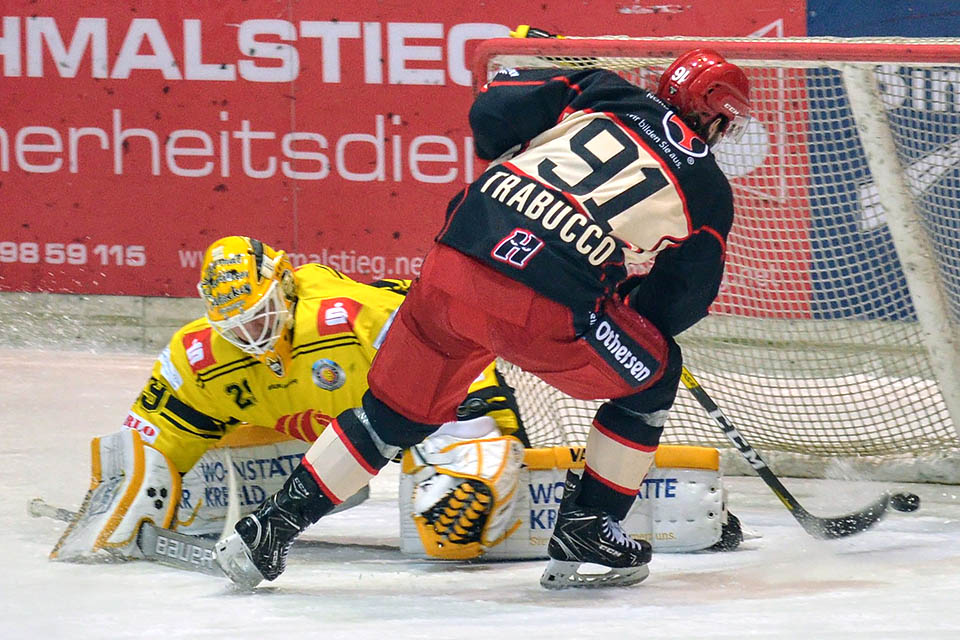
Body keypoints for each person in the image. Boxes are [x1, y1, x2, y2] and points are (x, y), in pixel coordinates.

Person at [216, 48, 751, 590]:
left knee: (390, 416)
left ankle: (270, 528)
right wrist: (619, 295)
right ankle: (592, 522)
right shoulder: (707, 189)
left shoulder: (604, 90)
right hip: (545, 304)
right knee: (654, 373)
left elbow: (492, 110)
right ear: (715, 117)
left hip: (456, 257)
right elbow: (677, 304)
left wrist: (517, 169)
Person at [50, 236, 527, 562]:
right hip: (302, 434)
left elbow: (452, 352)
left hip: (400, 403)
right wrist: (124, 489)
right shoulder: (198, 354)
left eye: (257, 317)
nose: (249, 336)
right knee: (154, 480)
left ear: (282, 285)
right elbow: (148, 440)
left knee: (448, 530)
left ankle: (476, 470)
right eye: (233, 328)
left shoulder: (349, 316)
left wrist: (481, 434)